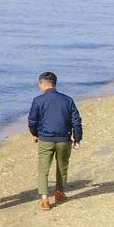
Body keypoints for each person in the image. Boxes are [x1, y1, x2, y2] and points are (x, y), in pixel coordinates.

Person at [28, 71, 83, 210]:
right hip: (64, 138)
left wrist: (35, 133)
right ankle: (59, 192)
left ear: (42, 83)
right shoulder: (67, 100)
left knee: (43, 169)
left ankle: (45, 199)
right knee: (62, 166)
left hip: (45, 138)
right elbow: (76, 121)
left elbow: (32, 121)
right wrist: (77, 139)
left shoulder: (38, 100)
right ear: (54, 84)